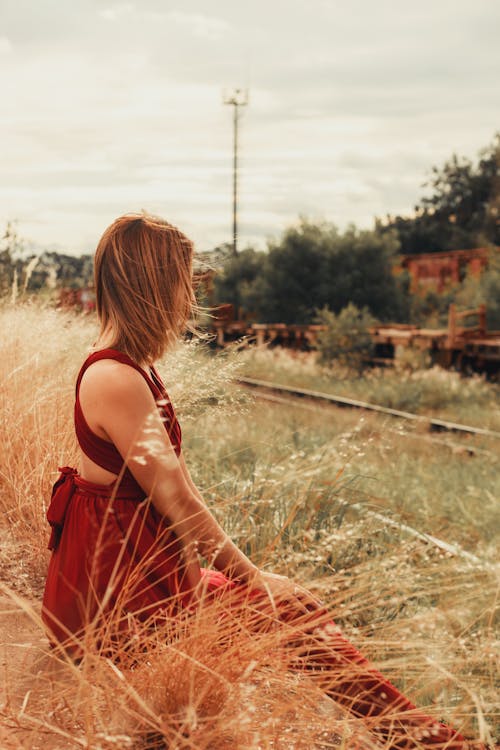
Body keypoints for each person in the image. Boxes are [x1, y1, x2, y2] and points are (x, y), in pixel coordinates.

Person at [42, 213, 488, 749]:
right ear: (154, 286)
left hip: (149, 575)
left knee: (299, 612)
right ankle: (429, 741)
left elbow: (170, 495)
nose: (190, 298)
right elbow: (177, 500)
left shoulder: (132, 368)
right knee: (293, 613)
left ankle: (419, 736)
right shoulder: (114, 377)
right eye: (184, 281)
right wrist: (256, 578)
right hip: (127, 600)